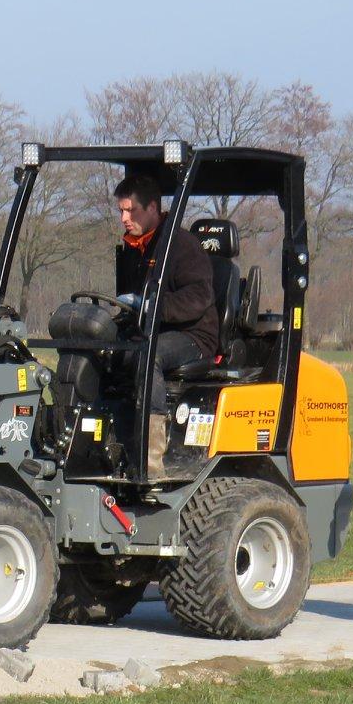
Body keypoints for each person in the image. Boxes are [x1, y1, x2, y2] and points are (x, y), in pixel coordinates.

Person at [112, 172, 217, 476]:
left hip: (192, 335)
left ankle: (150, 459)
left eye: (130, 210)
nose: (124, 218)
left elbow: (199, 295)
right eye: (121, 210)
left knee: (148, 356)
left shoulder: (181, 245)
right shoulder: (135, 248)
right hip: (151, 330)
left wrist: (153, 307)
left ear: (153, 209)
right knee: (99, 349)